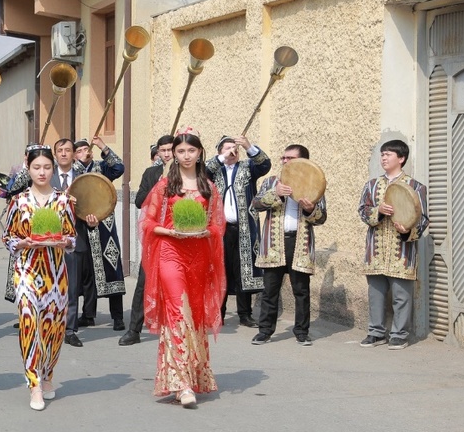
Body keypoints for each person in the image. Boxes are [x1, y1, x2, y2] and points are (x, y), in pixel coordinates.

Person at [140, 132, 226, 408]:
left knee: (194, 313)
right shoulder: (165, 186)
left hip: (198, 255)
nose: (186, 155)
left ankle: (192, 375)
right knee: (178, 312)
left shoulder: (209, 188)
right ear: (173, 155)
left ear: (200, 153)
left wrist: (205, 232)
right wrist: (169, 232)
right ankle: (181, 383)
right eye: (181, 151)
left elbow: (218, 224)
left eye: (191, 150)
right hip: (170, 252)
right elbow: (147, 222)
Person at [1, 144, 77, 411]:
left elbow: (72, 237)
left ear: (53, 169)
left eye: (46, 167)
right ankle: (34, 383)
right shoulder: (18, 201)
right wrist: (21, 243)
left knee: (54, 329)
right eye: (36, 167)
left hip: (56, 274)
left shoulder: (64, 200)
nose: (42, 172)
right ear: (29, 168)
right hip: (27, 271)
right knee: (29, 323)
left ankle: (48, 373)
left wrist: (64, 241)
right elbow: (8, 236)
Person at [250, 145, 328, 346]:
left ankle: (302, 331)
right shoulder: (271, 182)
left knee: (301, 290)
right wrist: (275, 194)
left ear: (303, 162)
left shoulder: (314, 183)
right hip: (274, 242)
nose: (285, 161)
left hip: (299, 242)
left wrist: (310, 209)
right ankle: (265, 331)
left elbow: (321, 218)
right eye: (283, 157)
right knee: (270, 290)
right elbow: (255, 205)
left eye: (290, 158)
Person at [357, 139, 429, 349]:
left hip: (402, 250)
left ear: (401, 158)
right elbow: (363, 211)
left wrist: (408, 231)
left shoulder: (416, 187)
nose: (384, 158)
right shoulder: (371, 186)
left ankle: (399, 334)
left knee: (401, 296)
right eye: (382, 154)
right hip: (376, 250)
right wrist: (378, 211)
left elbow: (423, 219)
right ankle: (376, 332)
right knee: (376, 295)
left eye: (388, 154)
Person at [207, 135, 271, 327]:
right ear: (219, 152)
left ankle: (245, 314)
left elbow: (264, 165)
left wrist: (248, 146)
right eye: (226, 148)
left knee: (244, 269)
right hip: (220, 230)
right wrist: (223, 158)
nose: (232, 151)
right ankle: (218, 313)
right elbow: (202, 171)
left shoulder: (247, 167)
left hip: (244, 228)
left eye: (234, 148)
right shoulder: (214, 170)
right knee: (221, 270)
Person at [120, 134, 175, 346]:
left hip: (177, 237)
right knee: (143, 283)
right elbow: (139, 200)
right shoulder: (151, 173)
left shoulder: (186, 174)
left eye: (170, 150)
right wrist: (159, 186)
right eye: (163, 150)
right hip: (155, 237)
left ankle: (176, 329)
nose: (167, 154)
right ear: (158, 152)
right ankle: (134, 330)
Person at [73, 136, 128, 331]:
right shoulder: (73, 172)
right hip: (82, 226)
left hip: (105, 225)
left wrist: (102, 146)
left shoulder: (101, 167)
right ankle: (88, 315)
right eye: (79, 151)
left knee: (112, 267)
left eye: (85, 150)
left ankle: (117, 316)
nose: (83, 153)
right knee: (86, 271)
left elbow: (119, 168)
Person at [51, 138, 87, 347]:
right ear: (55, 154)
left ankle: (70, 330)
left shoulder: (83, 179)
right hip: (49, 240)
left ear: (74, 154)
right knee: (50, 287)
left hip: (75, 239)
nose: (64, 153)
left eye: (67, 150)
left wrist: (92, 220)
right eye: (60, 150)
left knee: (72, 288)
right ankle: (51, 326)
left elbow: (90, 205)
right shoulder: (46, 177)